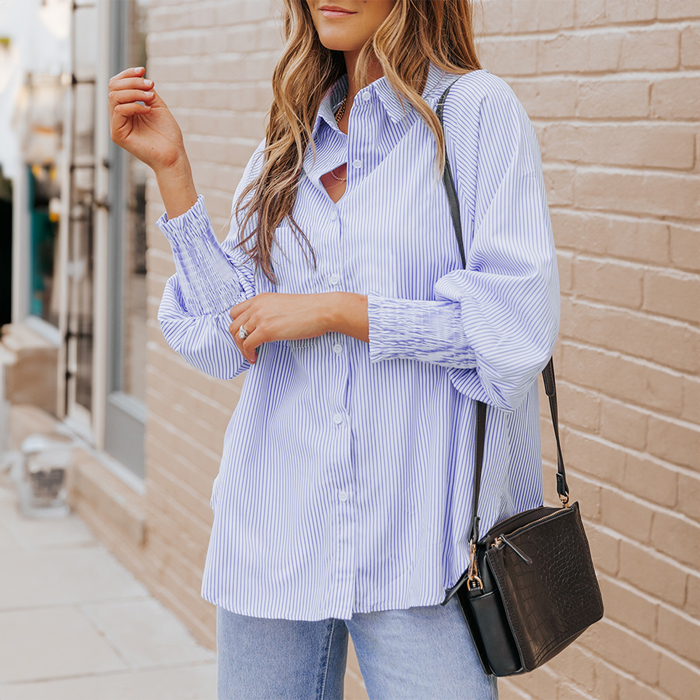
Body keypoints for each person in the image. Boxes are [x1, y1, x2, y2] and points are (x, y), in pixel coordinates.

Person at [109, 1, 559, 697]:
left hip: (419, 555)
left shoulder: (474, 115)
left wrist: (339, 313)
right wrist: (172, 172)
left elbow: (514, 329)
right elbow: (224, 340)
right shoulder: (288, 144)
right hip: (273, 532)